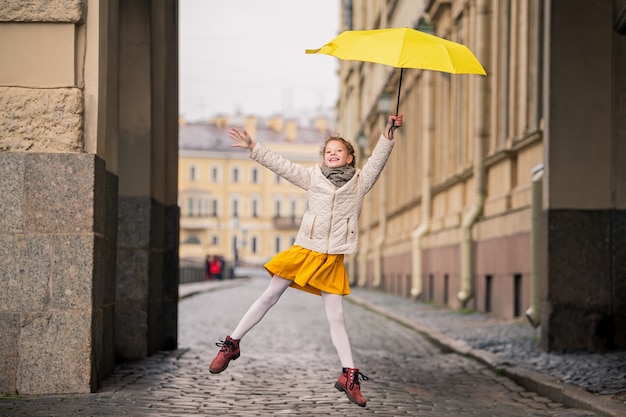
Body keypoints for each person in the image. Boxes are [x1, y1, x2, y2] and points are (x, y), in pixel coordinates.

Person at [209, 114, 403, 407]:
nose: (333, 154)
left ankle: (349, 374)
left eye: (339, 150)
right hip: (305, 249)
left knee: (336, 317)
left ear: (350, 157)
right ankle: (232, 344)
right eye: (328, 151)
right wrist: (254, 147)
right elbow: (283, 166)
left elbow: (377, 159)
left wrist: (388, 134)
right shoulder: (313, 177)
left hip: (332, 257)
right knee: (269, 295)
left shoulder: (361, 182)